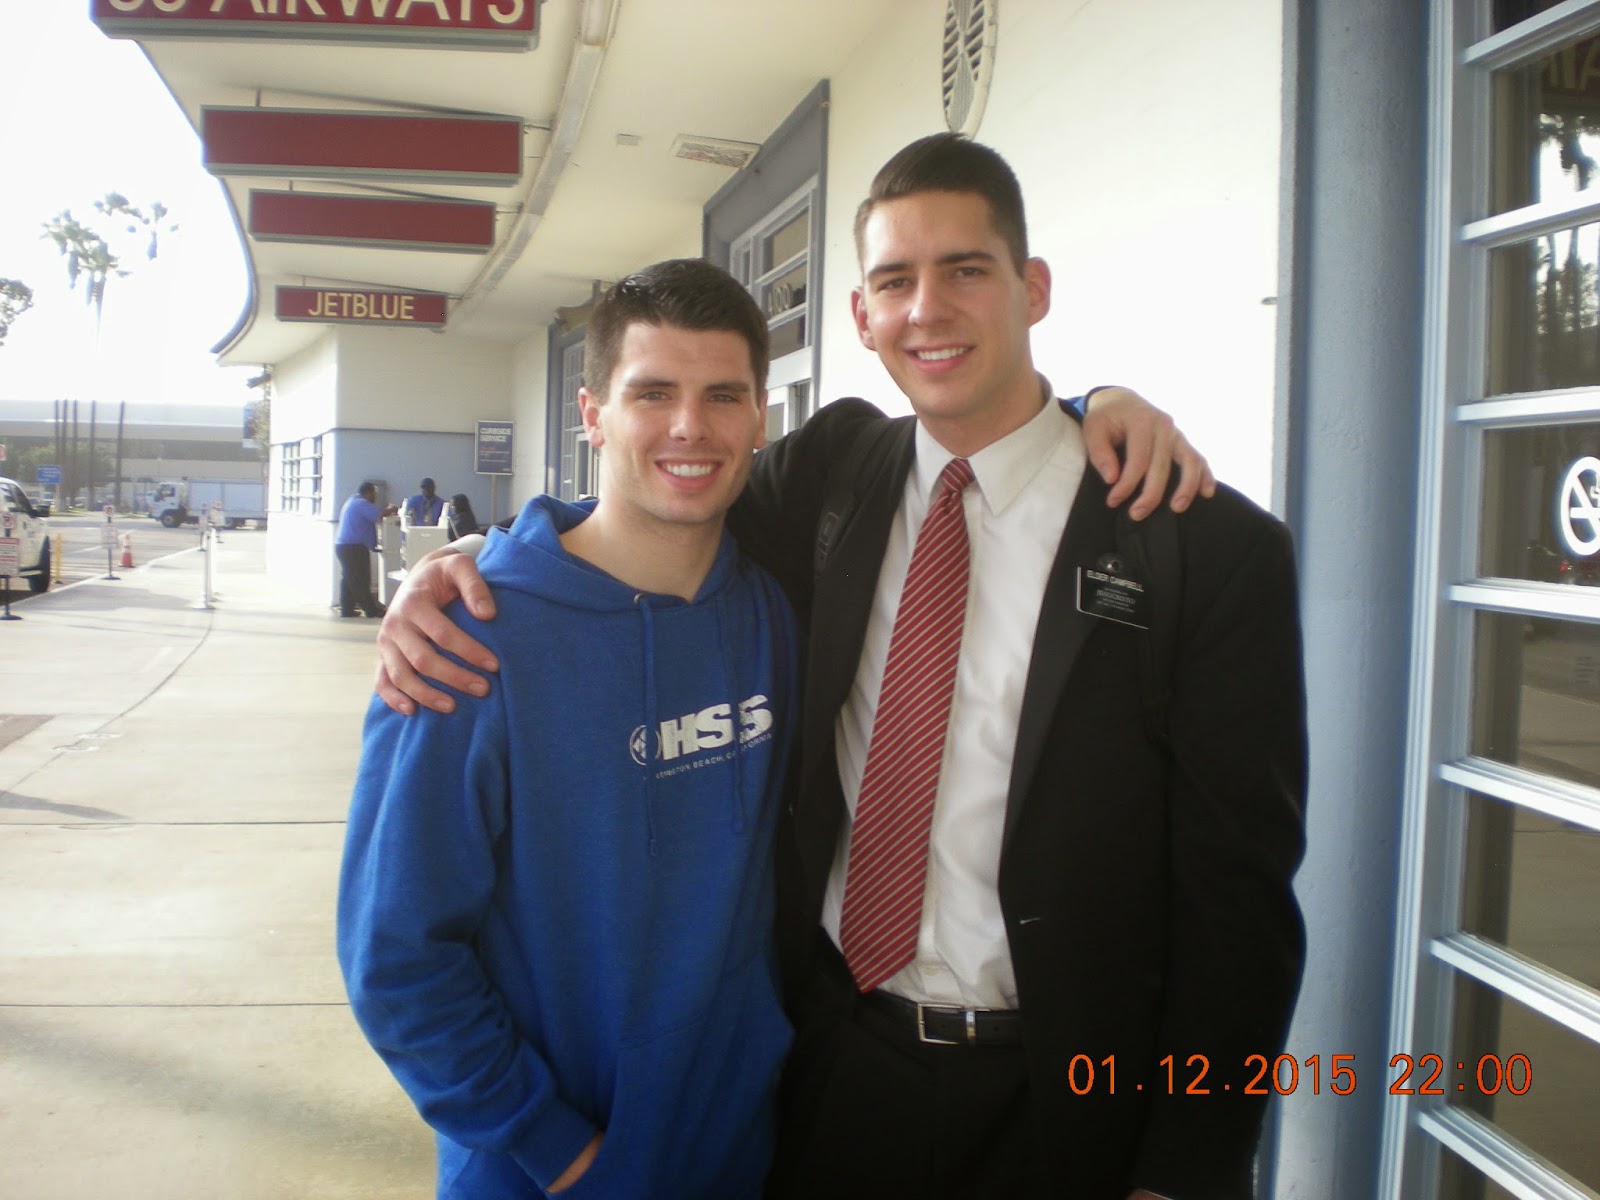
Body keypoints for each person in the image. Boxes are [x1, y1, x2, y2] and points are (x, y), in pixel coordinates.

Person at [377, 134, 1306, 1200]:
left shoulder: (1200, 549)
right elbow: (663, 488)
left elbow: (1239, 903)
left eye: (967, 269)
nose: (928, 310)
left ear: (1033, 289)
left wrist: (1186, 1167)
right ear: (861, 317)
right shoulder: (832, 475)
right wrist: (469, 559)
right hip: (832, 1072)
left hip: (1071, 1101)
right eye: (895, 281)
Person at [337, 259, 797, 1200]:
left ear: (760, 417)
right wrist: (551, 1147)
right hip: (545, 1172)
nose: (690, 426)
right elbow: (397, 955)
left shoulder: (771, 613)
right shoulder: (469, 641)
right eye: (653, 393)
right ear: (593, 414)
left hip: (739, 1152)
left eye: (722, 395)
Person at [333, 481, 394, 618]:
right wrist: (392, 509)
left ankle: (347, 608)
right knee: (361, 579)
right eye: (374, 494)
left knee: (349, 578)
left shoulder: (352, 501)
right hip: (353, 547)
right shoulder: (361, 503)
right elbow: (378, 515)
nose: (375, 497)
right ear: (369, 493)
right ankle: (371, 610)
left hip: (345, 546)